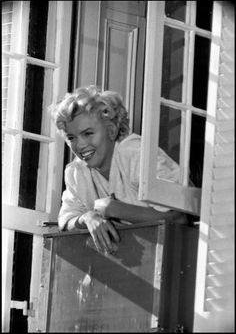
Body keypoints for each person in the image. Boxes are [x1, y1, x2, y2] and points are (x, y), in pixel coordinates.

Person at [50, 85, 186, 254]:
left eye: (88, 133)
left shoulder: (137, 156)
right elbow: (66, 220)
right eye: (71, 137)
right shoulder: (76, 172)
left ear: (111, 130)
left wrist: (116, 210)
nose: (79, 145)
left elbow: (179, 217)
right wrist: (88, 217)